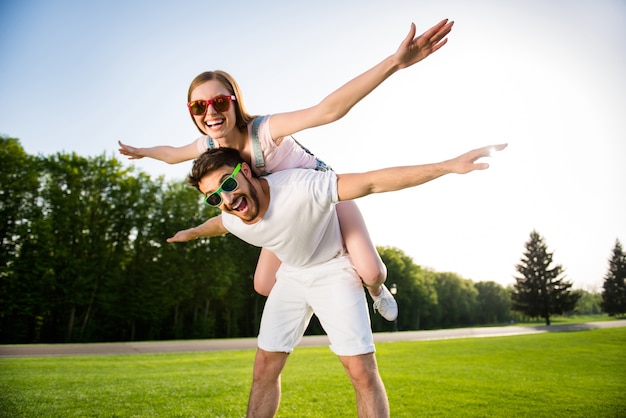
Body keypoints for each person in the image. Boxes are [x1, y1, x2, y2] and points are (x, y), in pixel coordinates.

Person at [119, 19, 455, 320]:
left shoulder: (265, 131)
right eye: (198, 106)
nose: (210, 112)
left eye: (219, 102)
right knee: (264, 285)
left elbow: (328, 110)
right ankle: (314, 295)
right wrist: (142, 152)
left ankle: (377, 292)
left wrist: (394, 63)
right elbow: (172, 154)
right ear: (192, 112)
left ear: (234, 100)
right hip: (283, 215)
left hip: (325, 197)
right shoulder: (210, 147)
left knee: (371, 272)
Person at [186, 143, 506, 417]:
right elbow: (218, 225)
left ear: (244, 170)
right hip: (293, 274)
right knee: (264, 366)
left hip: (333, 266)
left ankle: (378, 291)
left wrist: (446, 166)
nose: (226, 200)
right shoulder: (232, 215)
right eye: (214, 197)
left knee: (362, 367)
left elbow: (371, 182)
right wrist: (191, 233)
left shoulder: (300, 185)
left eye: (227, 185)